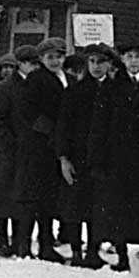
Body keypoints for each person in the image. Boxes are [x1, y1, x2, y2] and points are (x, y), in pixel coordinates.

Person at [85, 40, 139, 272]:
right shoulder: (112, 87)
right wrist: (96, 158)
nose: (133, 61)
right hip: (114, 158)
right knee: (112, 206)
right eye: (129, 56)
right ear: (122, 60)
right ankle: (118, 252)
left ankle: (131, 248)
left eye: (138, 56)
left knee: (134, 207)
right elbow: (99, 126)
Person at [14, 37, 69, 261]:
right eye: (50, 57)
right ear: (42, 59)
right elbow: (27, 112)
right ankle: (23, 245)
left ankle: (46, 244)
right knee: (31, 199)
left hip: (55, 148)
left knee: (47, 200)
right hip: (37, 147)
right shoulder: (36, 79)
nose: (55, 61)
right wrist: (51, 131)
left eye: (58, 57)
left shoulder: (68, 79)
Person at [57, 44, 110, 265]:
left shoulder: (114, 91)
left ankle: (93, 250)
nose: (96, 67)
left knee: (98, 207)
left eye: (100, 62)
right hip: (78, 158)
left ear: (109, 64)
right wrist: (63, 158)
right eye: (92, 62)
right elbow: (63, 127)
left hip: (104, 160)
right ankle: (77, 250)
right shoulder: (75, 92)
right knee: (75, 206)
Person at [0, 45, 37, 257]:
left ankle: (21, 242)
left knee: (24, 201)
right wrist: (8, 144)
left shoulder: (37, 87)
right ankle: (3, 239)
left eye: (36, 63)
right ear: (20, 64)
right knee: (2, 198)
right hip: (9, 152)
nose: (33, 67)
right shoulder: (4, 88)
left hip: (31, 153)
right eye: (29, 63)